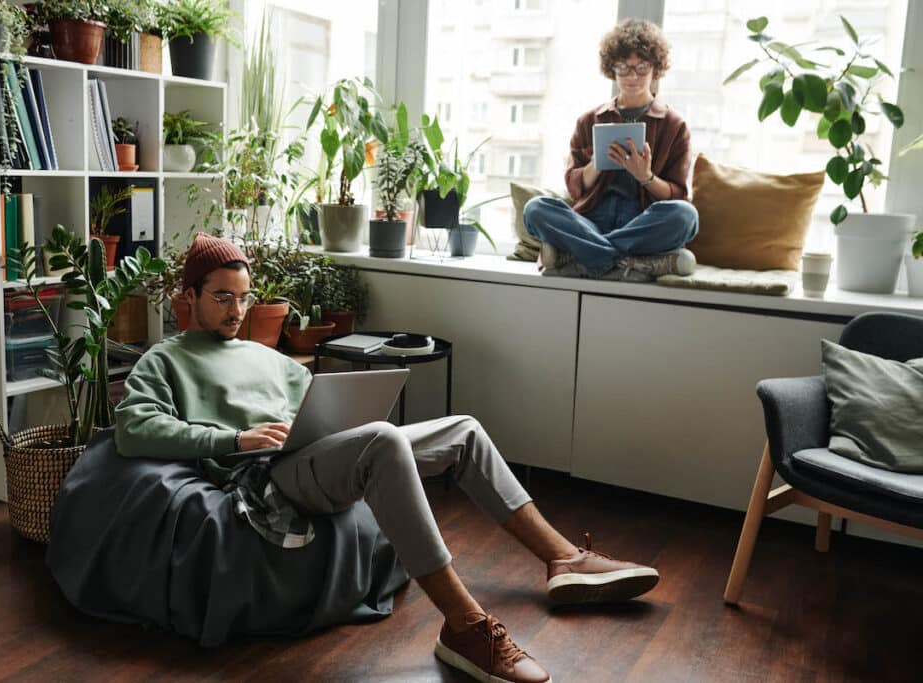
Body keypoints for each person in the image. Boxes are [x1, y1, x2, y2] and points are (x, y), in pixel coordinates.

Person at [115, 232, 661, 683]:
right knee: (385, 441)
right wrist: (233, 440)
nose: (237, 310)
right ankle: (465, 627)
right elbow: (134, 427)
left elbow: (310, 401)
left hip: (311, 451)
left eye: (244, 297)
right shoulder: (165, 360)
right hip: (264, 475)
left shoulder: (266, 355)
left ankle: (563, 559)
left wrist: (333, 415)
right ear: (189, 296)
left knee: (463, 430)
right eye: (222, 298)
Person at [524, 18, 700, 282]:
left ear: (655, 68)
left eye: (641, 67)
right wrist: (596, 163)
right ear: (611, 68)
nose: (632, 76)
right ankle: (632, 263)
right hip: (591, 218)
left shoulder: (674, 125)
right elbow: (574, 187)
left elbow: (677, 195)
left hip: (641, 220)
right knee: (535, 209)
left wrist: (646, 177)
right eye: (623, 67)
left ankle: (581, 258)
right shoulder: (589, 120)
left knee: (686, 217)